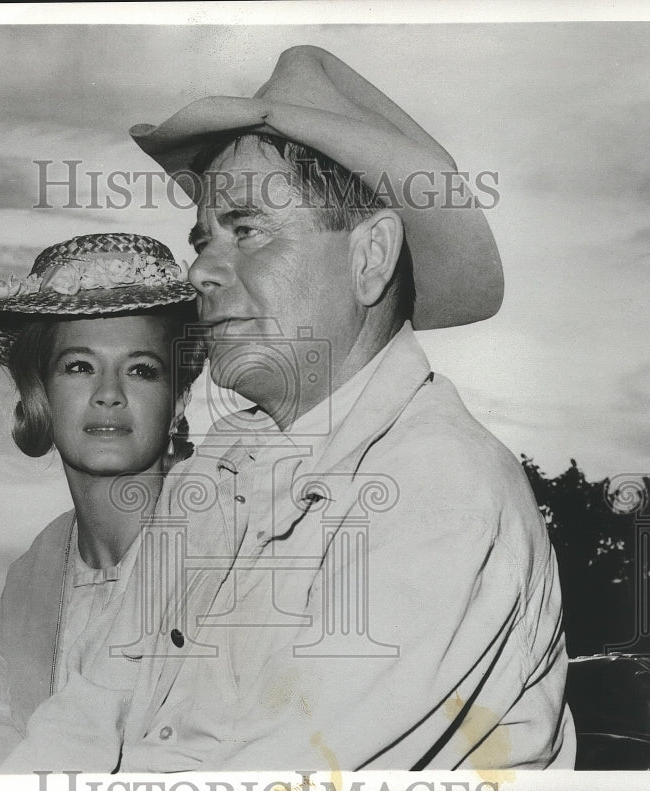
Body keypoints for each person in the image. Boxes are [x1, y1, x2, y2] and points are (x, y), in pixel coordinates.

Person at [109, 46, 577, 770]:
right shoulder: (216, 472)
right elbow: (91, 699)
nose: (199, 267)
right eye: (202, 238)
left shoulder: (438, 487)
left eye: (247, 229)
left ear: (370, 258)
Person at [0, 232, 202, 773]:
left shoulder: (228, 538)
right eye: (79, 366)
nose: (109, 393)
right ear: (40, 394)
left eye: (141, 369)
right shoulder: (32, 575)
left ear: (177, 401)